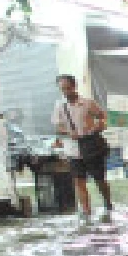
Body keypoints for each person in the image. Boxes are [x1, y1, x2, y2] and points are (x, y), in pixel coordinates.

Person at [51, 74, 112, 220]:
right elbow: (57, 128)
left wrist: (100, 124)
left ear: (74, 86)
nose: (66, 92)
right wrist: (68, 132)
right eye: (63, 89)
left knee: (99, 179)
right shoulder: (59, 106)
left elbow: (102, 116)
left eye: (68, 88)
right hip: (73, 149)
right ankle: (86, 211)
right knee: (79, 180)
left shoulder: (88, 103)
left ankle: (108, 203)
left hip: (91, 146)